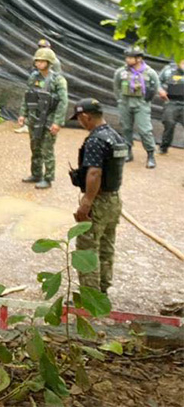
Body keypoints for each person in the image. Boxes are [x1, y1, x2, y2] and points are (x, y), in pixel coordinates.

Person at [69, 98, 127, 295]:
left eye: (79, 118)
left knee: (87, 249)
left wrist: (85, 204)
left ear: (86, 116)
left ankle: (89, 297)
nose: (80, 122)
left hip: (98, 200)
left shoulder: (95, 140)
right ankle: (102, 291)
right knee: (106, 247)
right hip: (113, 199)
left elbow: (95, 173)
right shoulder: (115, 136)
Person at [17, 47, 68, 189]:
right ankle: (36, 174)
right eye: (37, 61)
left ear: (49, 62)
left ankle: (48, 177)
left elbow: (63, 103)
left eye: (41, 61)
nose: (38, 63)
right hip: (34, 117)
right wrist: (23, 114)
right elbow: (27, 96)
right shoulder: (34, 77)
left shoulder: (58, 80)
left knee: (47, 149)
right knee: (35, 147)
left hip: (50, 118)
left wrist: (58, 122)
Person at [113, 46, 159, 168]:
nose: (127, 59)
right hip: (125, 103)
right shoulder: (121, 72)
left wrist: (146, 101)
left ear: (138, 59)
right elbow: (116, 87)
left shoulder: (150, 72)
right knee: (126, 128)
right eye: (127, 57)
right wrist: (120, 100)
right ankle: (128, 152)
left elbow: (155, 88)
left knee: (145, 130)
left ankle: (150, 154)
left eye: (130, 57)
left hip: (141, 104)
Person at [158, 57, 184, 154]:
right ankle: (164, 147)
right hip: (171, 102)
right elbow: (158, 81)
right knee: (169, 123)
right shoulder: (169, 69)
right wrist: (160, 90)